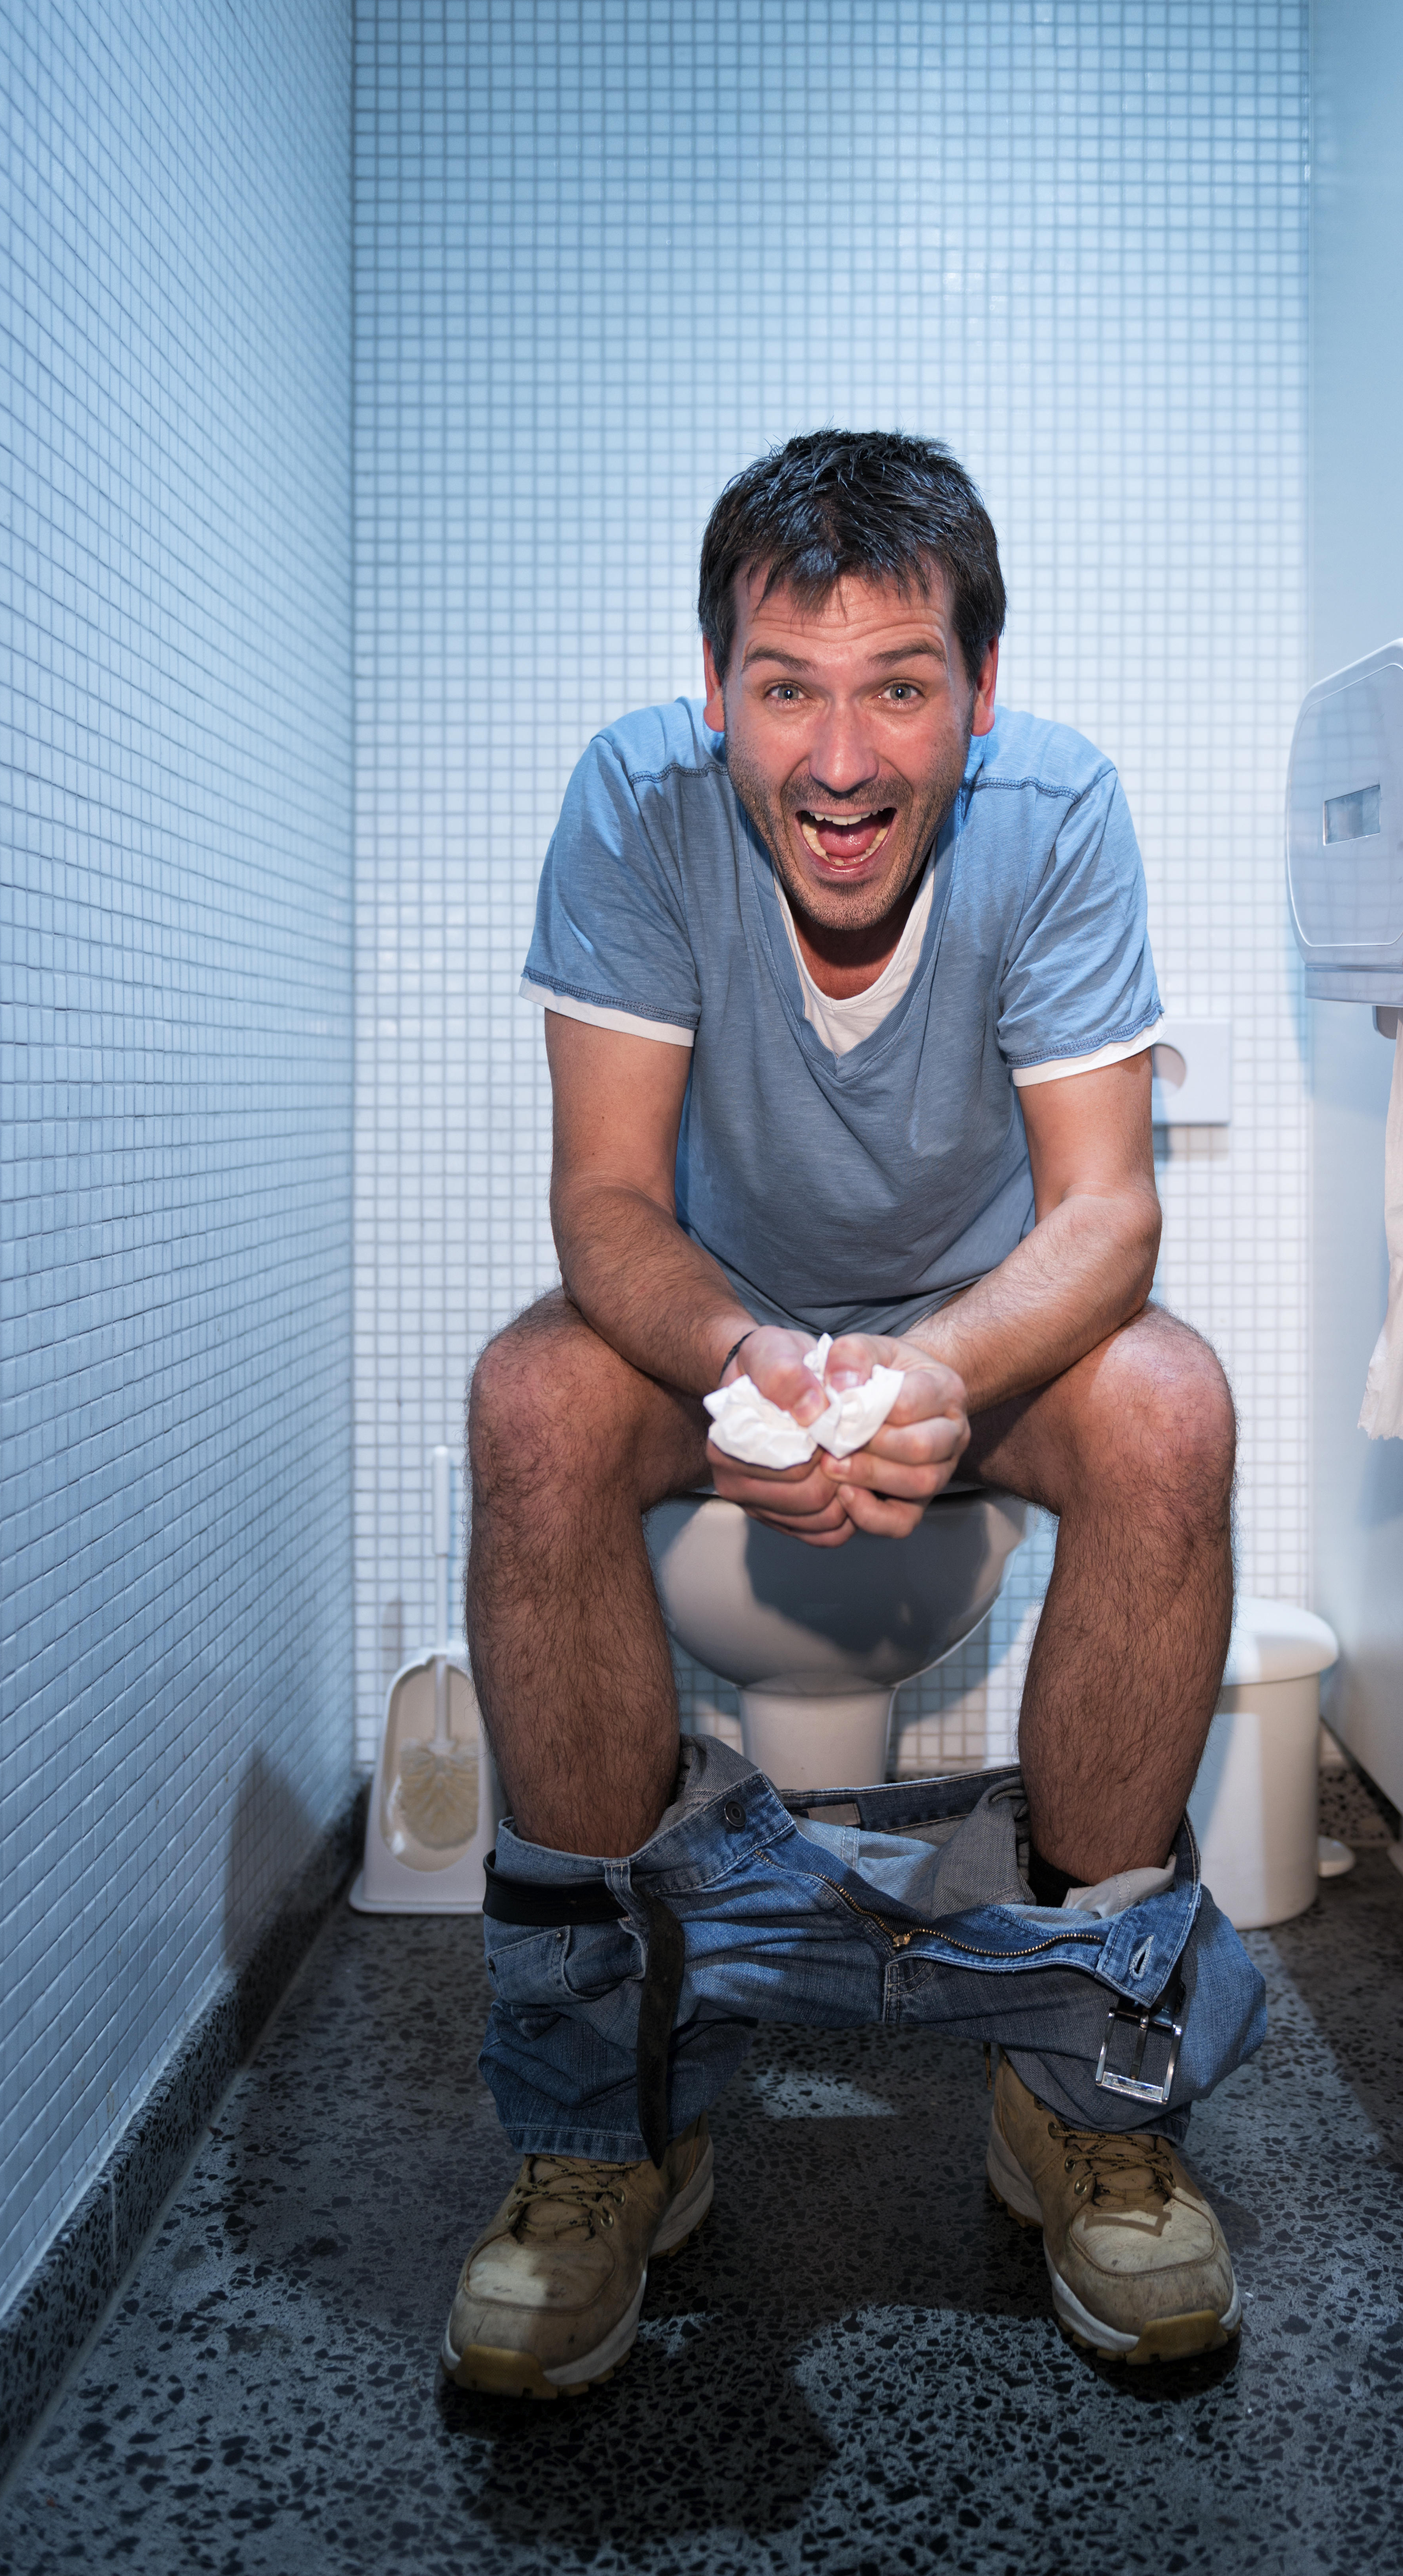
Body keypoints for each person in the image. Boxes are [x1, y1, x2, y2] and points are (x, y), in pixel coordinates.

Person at [444, 431, 1265, 2400]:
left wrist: (933, 1372)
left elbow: (1106, 1211)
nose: (838, 760)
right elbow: (607, 1208)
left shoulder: (1055, 810)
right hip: (721, 1333)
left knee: (1168, 1409)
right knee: (535, 1402)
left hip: (977, 1335)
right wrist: (750, 1365)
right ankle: (601, 2125)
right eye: (786, 687)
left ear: (977, 697)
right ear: (715, 685)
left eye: (898, 685)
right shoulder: (637, 811)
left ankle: (1084, 2092)